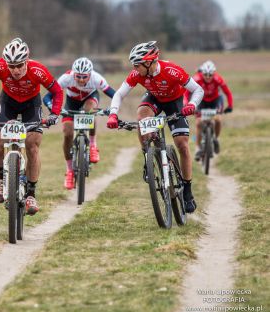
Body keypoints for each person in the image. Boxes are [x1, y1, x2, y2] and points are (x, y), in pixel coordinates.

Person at [106, 41, 204, 213]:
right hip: (154, 99)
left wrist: (192, 105)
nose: (135, 69)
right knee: (142, 116)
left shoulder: (172, 70)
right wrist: (113, 114)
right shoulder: (138, 74)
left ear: (149, 62)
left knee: (182, 144)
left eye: (137, 65)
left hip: (175, 103)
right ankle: (148, 157)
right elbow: (119, 93)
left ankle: (187, 191)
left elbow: (198, 90)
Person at [0, 38, 63, 215]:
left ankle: (31, 193)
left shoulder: (38, 70)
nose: (16, 70)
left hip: (31, 105)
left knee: (32, 146)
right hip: (8, 103)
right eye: (11, 66)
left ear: (26, 61)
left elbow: (57, 91)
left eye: (20, 65)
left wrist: (54, 114)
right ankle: (1, 178)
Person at [43, 57, 115, 190]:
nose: (81, 80)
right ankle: (70, 171)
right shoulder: (65, 78)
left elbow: (114, 94)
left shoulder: (96, 78)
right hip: (72, 102)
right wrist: (52, 107)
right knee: (67, 133)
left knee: (89, 112)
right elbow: (47, 97)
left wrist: (113, 109)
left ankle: (93, 145)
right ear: (73, 74)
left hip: (90, 98)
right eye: (78, 76)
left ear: (90, 74)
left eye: (84, 77)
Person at [184, 60, 234, 160]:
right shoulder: (196, 78)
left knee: (218, 120)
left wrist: (230, 106)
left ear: (213, 73)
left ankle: (216, 139)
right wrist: (186, 104)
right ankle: (198, 149)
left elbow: (227, 93)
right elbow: (186, 93)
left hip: (215, 100)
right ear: (202, 73)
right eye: (205, 74)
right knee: (198, 123)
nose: (207, 77)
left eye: (210, 75)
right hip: (201, 101)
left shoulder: (218, 79)